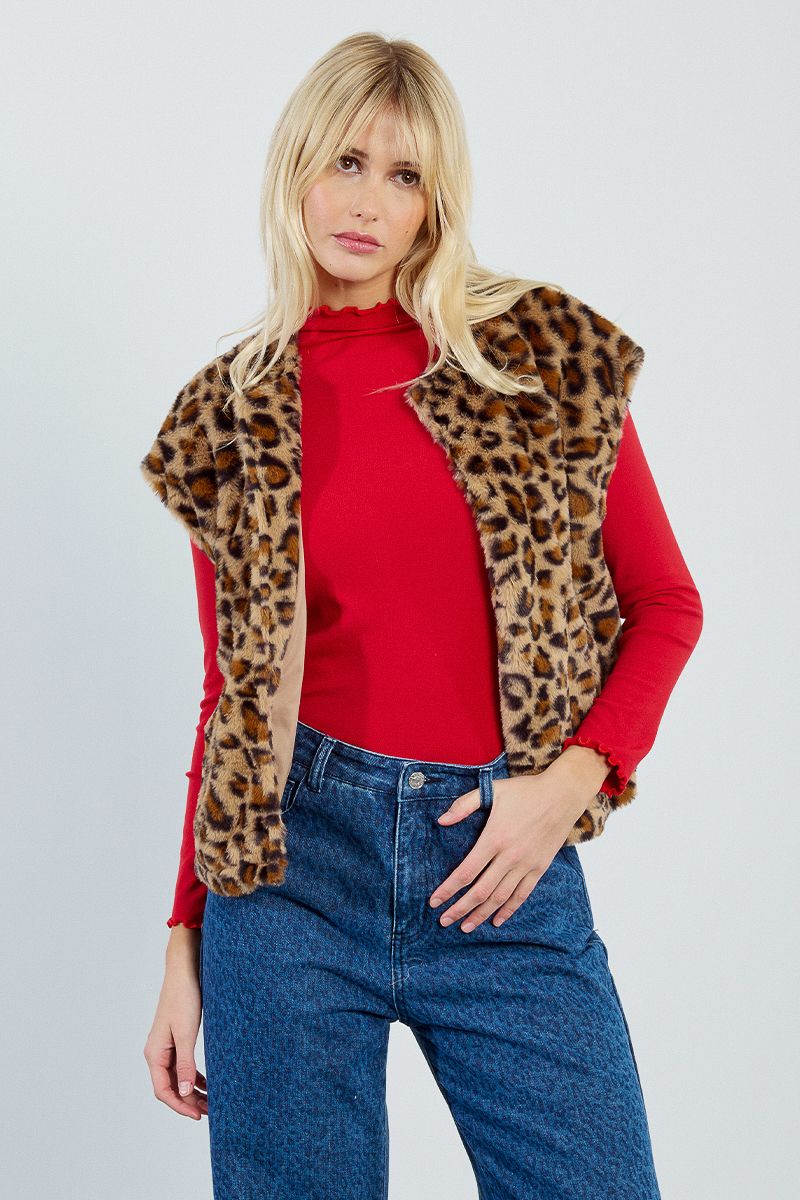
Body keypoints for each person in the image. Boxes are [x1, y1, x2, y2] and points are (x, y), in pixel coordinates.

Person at [142, 31, 703, 1200]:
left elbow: (664, 603)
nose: (366, 202)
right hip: (287, 878)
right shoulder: (227, 413)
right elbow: (229, 697)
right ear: (295, 167)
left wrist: (567, 785)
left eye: (403, 176)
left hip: (498, 853)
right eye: (344, 162)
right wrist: (182, 940)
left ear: (435, 203)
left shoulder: (540, 358)